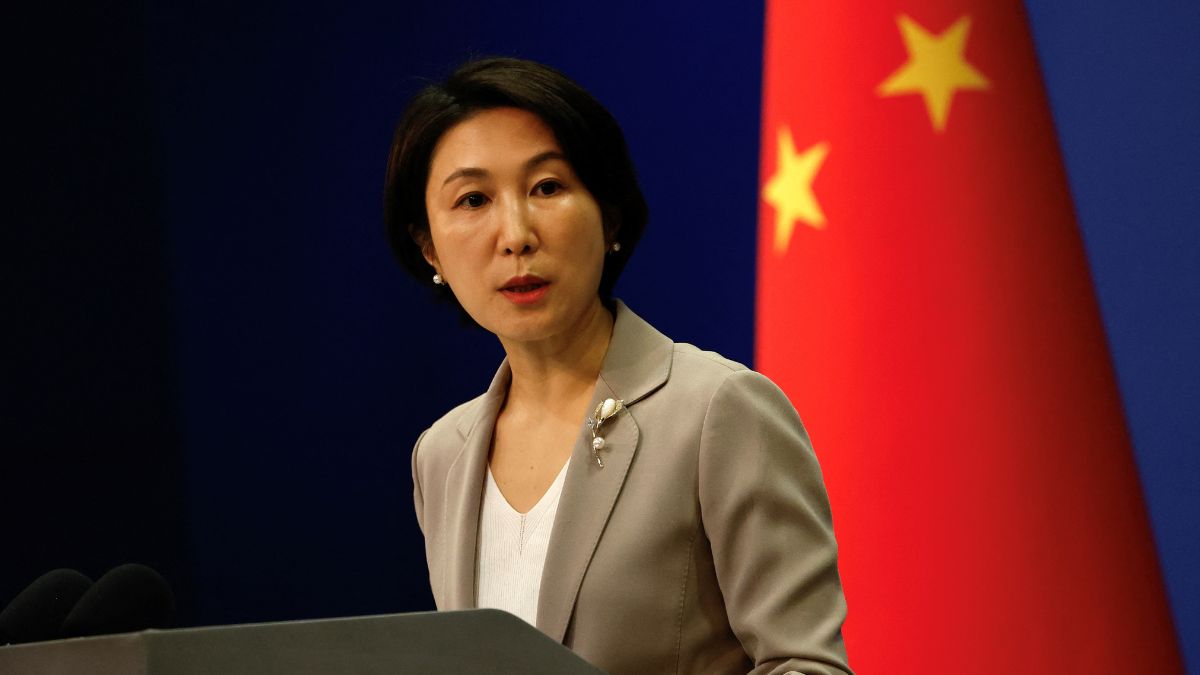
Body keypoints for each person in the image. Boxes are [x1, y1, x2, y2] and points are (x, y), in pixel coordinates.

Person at [384, 57, 852, 675]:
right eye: (473, 200)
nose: (516, 234)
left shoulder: (716, 409)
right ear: (429, 248)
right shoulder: (442, 453)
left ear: (609, 216)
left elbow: (807, 665)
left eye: (547, 187)